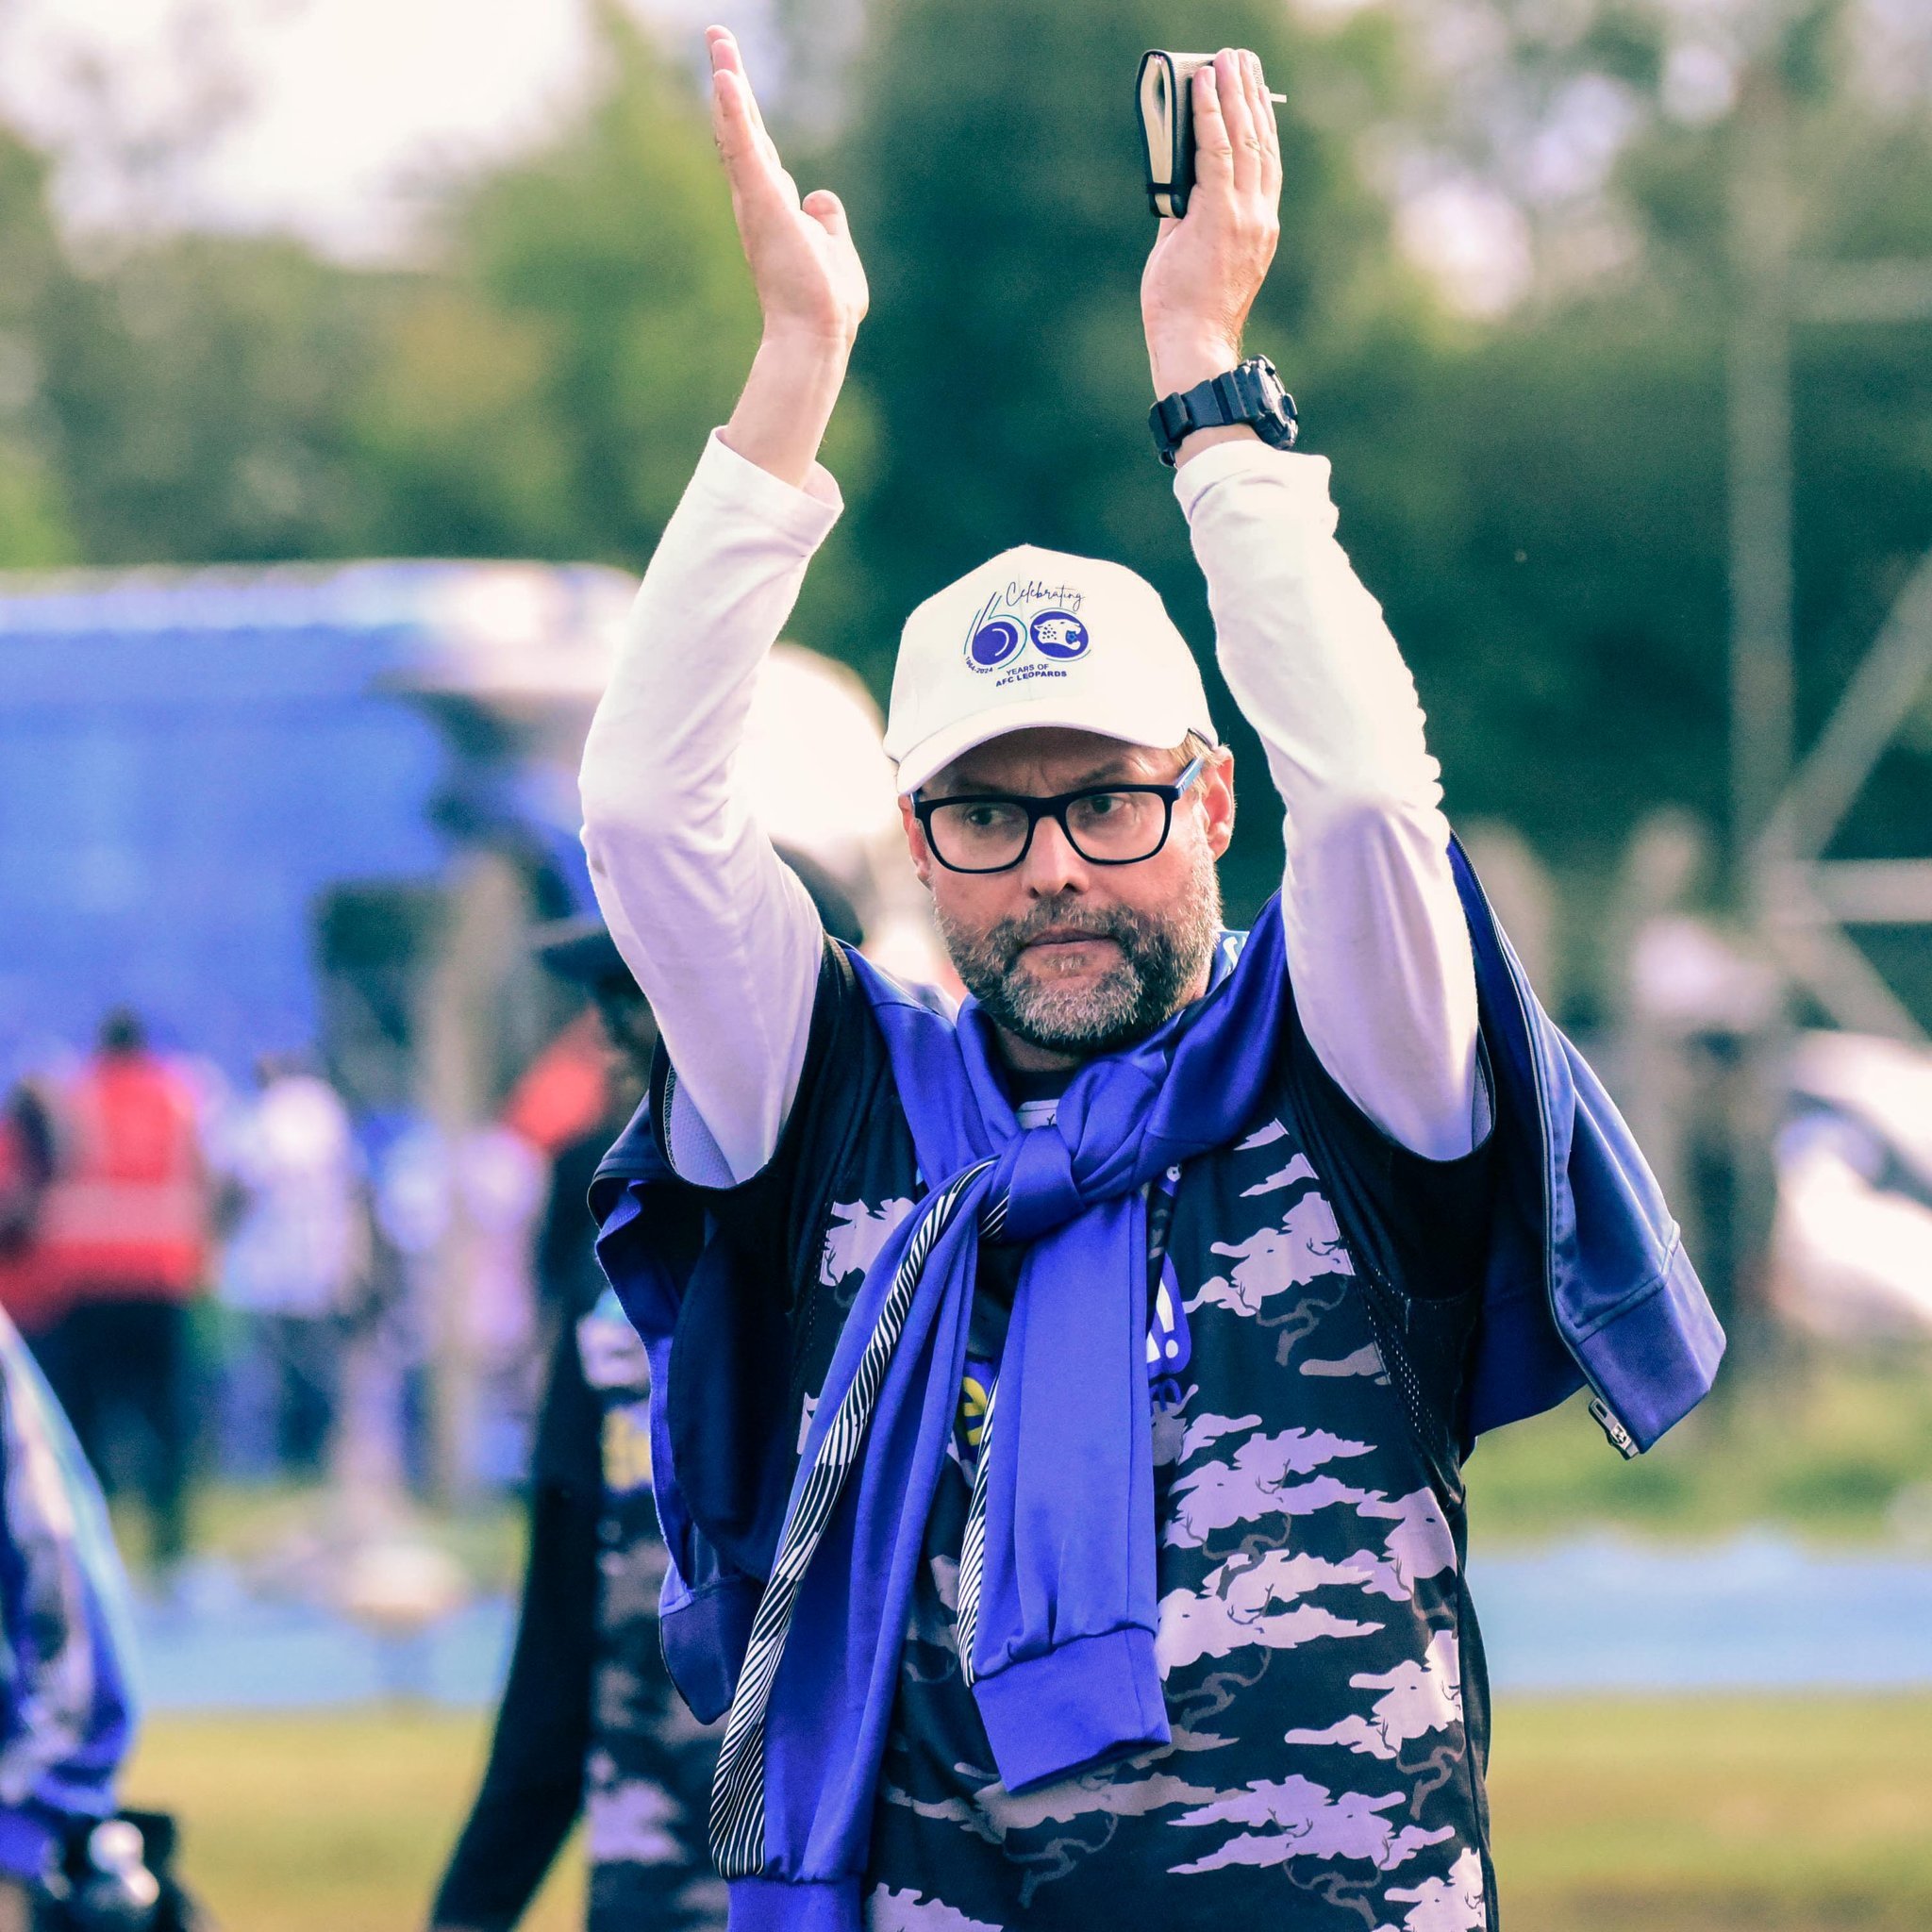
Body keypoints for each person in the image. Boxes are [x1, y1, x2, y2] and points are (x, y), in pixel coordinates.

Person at [580, 32, 1722, 1932]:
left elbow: (1364, 800)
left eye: (1108, 801)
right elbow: (639, 810)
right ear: (911, 834)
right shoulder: (850, 1096)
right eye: (986, 818)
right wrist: (792, 383)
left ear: (1205, 796)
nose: (1053, 874)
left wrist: (1211, 394)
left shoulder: (1338, 1063)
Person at [431, 859, 866, 1932]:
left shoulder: (929, 1266)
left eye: (637, 989)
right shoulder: (615, 1298)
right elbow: (559, 1659)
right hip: (665, 1890)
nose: (606, 1030)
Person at [34, 1012, 210, 1572]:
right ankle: (171, 1546)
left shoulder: (76, 1096)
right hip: (161, 1275)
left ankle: (93, 1539)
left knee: (87, 1418)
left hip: (89, 1278)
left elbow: (49, 1175)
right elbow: (205, 1177)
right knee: (166, 1415)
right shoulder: (180, 1097)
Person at [213, 1056, 368, 1478]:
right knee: (317, 1372)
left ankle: (272, 1463)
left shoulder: (263, 1117)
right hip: (319, 1261)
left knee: (270, 1374)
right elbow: (352, 1187)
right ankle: (314, 1459)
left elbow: (237, 1187)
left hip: (267, 1267)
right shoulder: (326, 1111)